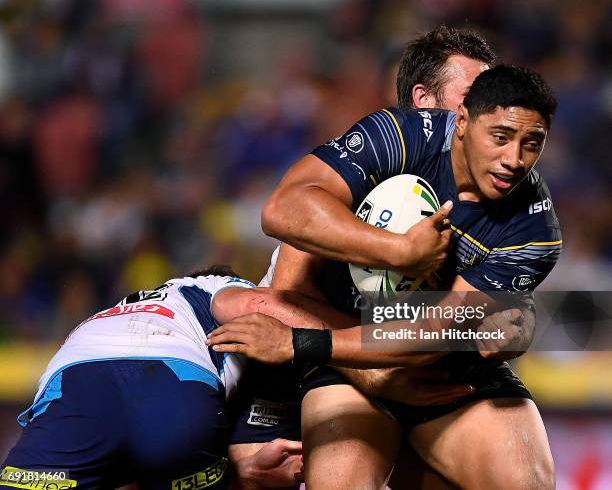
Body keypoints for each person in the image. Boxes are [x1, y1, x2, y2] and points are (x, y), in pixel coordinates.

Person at [220, 64, 560, 490]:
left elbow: (435, 332)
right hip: (346, 362)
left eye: (533, 144)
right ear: (462, 121)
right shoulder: (400, 136)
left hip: (446, 375)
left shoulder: (534, 230)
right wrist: (400, 251)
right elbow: (281, 211)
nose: (515, 160)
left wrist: (303, 344)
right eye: (501, 137)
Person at [0, 266, 308, 490]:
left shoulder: (116, 310)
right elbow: (256, 305)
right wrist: (341, 340)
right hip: (172, 380)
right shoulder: (207, 286)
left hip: (74, 383)